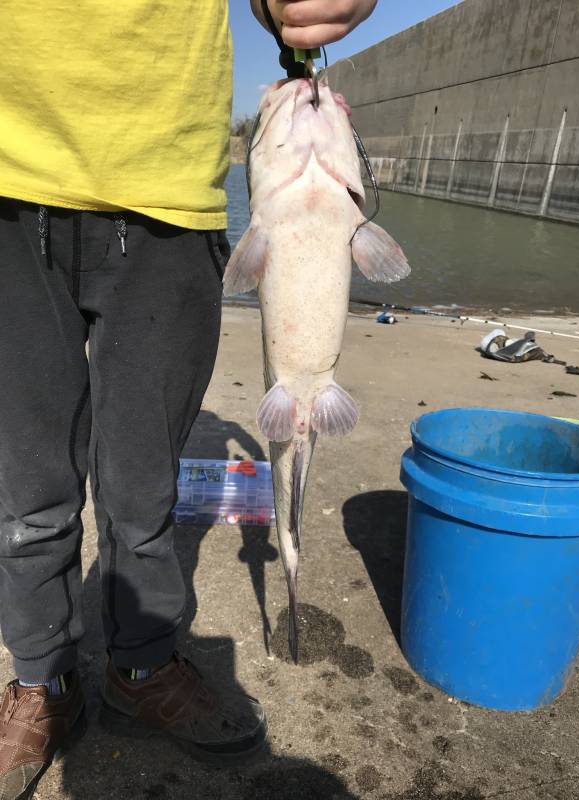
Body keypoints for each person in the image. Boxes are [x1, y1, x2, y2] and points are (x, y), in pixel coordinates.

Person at [0, 0, 376, 797]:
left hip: (169, 187)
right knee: (27, 486)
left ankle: (140, 667)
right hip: (8, 176)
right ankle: (41, 680)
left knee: (144, 488)